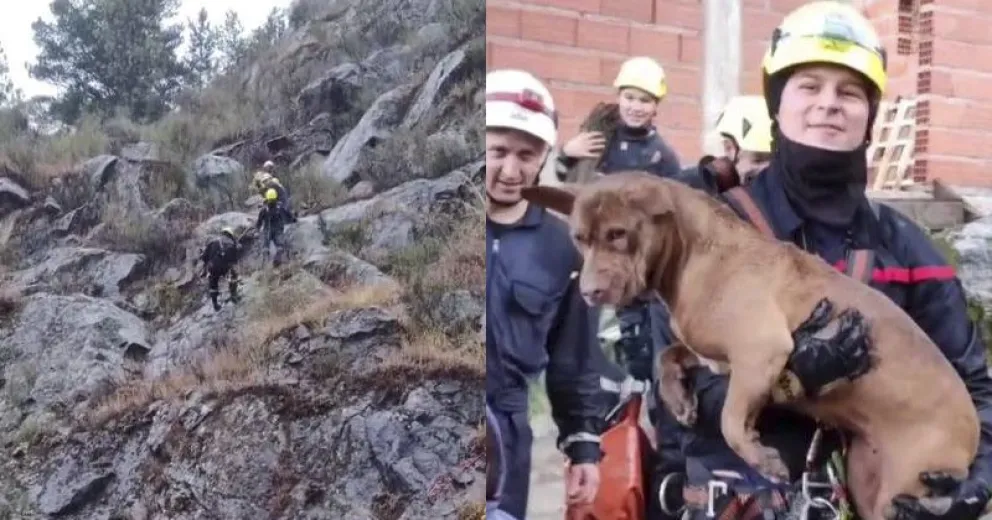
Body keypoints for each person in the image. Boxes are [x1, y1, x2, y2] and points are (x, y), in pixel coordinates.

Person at [655, 2, 992, 519]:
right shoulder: (715, 229)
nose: (828, 104)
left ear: (870, 115)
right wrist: (787, 379)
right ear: (778, 103)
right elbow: (677, 379)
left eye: (849, 92)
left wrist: (977, 482)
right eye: (809, 86)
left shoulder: (909, 253)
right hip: (737, 500)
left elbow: (973, 389)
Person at [485, 68, 604, 520]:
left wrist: (584, 447)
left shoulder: (562, 246)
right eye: (497, 152)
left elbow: (574, 361)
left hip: (514, 446)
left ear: (544, 156)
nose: (511, 171)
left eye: (526, 154)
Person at [557, 56, 681, 179]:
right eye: (629, 98)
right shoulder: (596, 135)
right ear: (618, 97)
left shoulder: (663, 157)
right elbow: (563, 179)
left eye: (645, 101)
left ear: (656, 106)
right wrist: (566, 155)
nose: (636, 107)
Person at [677, 95, 774, 195]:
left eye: (775, 161)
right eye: (758, 160)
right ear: (729, 148)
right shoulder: (686, 190)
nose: (768, 169)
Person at [195, 227, 247, 311]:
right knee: (233, 277)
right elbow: (235, 258)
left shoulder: (212, 242)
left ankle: (215, 304)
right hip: (225, 267)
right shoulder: (232, 242)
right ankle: (234, 296)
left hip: (213, 267)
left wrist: (206, 265)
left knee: (213, 283)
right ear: (230, 235)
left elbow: (204, 257)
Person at [256, 187, 297, 267]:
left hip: (267, 231)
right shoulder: (279, 207)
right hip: (278, 230)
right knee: (280, 246)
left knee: (265, 248)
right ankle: (277, 260)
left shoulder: (264, 209)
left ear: (267, 198)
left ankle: (266, 265)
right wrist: (294, 219)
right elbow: (288, 215)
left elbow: (259, 222)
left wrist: (257, 230)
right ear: (276, 197)